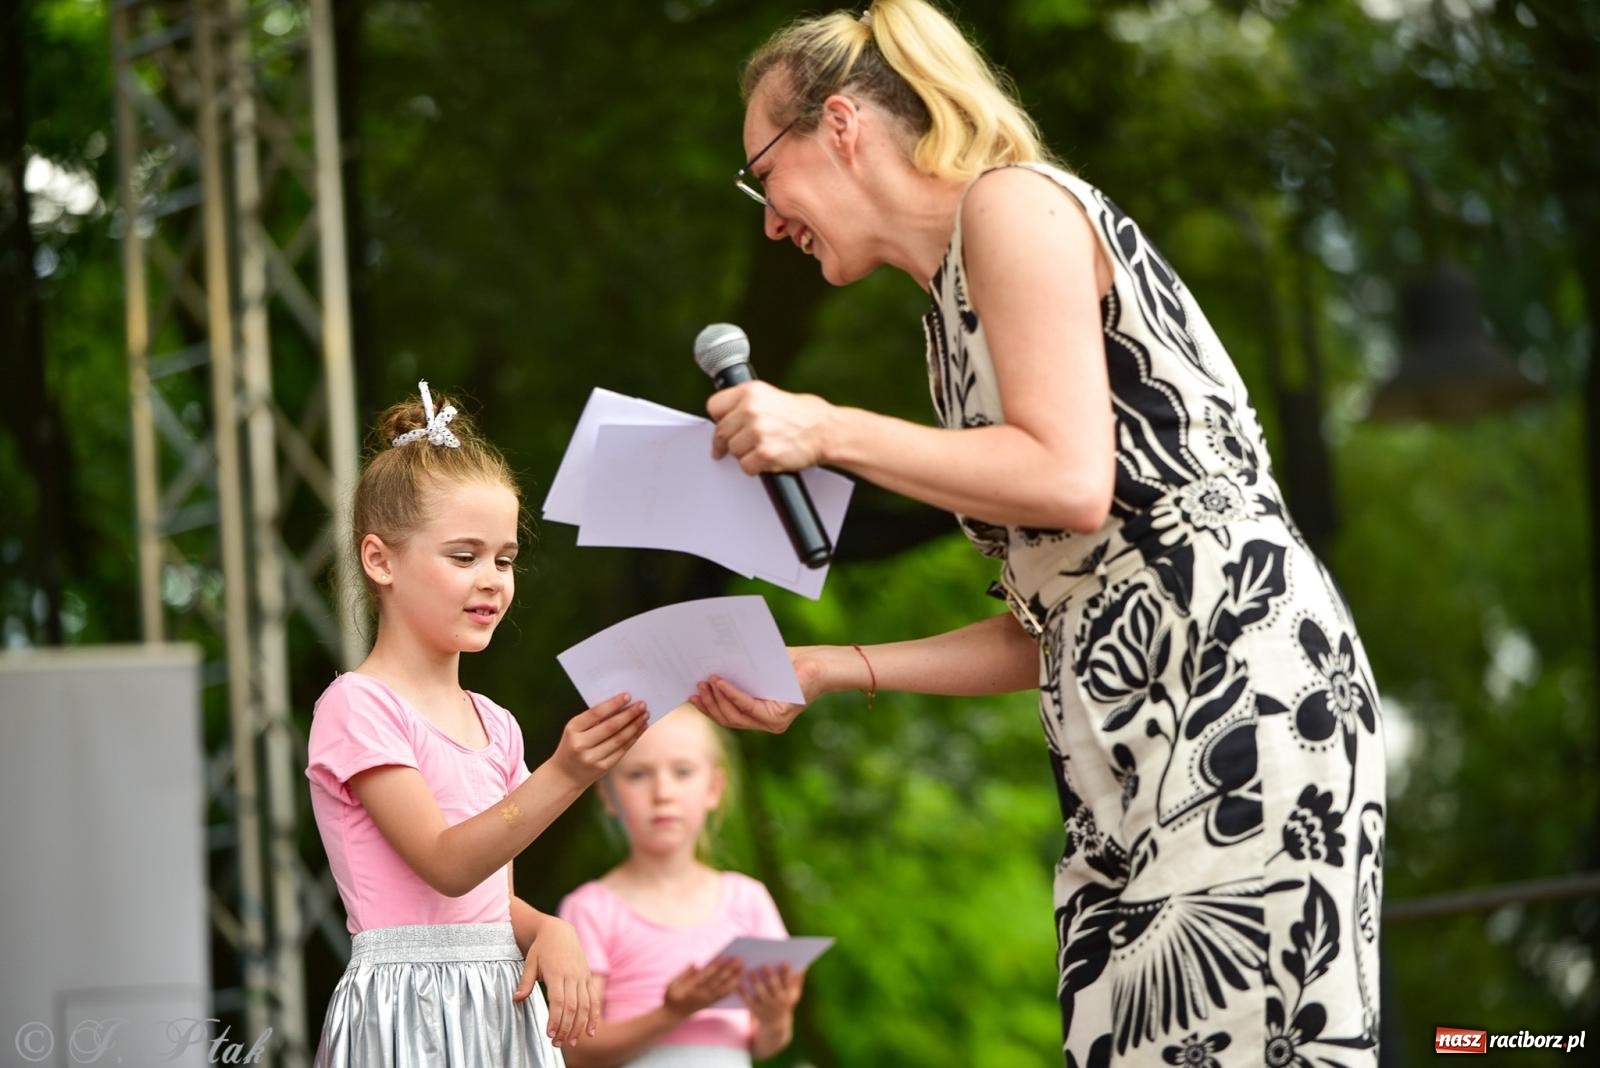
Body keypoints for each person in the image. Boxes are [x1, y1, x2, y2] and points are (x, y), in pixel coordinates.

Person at [690, 2, 1386, 1065]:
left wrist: (825, 427)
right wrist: (832, 668)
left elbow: (1067, 480)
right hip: (1124, 752)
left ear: (839, 126)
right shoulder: (947, 326)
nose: (769, 219)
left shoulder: (1010, 207)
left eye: (763, 173)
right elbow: (1062, 618)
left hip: (1235, 706)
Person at [306, 381, 651, 1067]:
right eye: (464, 557)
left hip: (497, 1011)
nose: (492, 578)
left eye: (505, 558)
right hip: (410, 1015)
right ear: (380, 560)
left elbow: (491, 903)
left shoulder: (495, 722)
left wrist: (543, 928)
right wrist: (569, 772)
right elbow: (447, 865)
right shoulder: (357, 706)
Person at [557, 705, 804, 1068]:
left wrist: (775, 1016)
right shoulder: (590, 909)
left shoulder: (748, 900)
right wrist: (672, 1012)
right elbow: (575, 1050)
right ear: (607, 795)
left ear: (714, 788)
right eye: (638, 774)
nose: (663, 792)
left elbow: (767, 1044)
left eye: (683, 772)